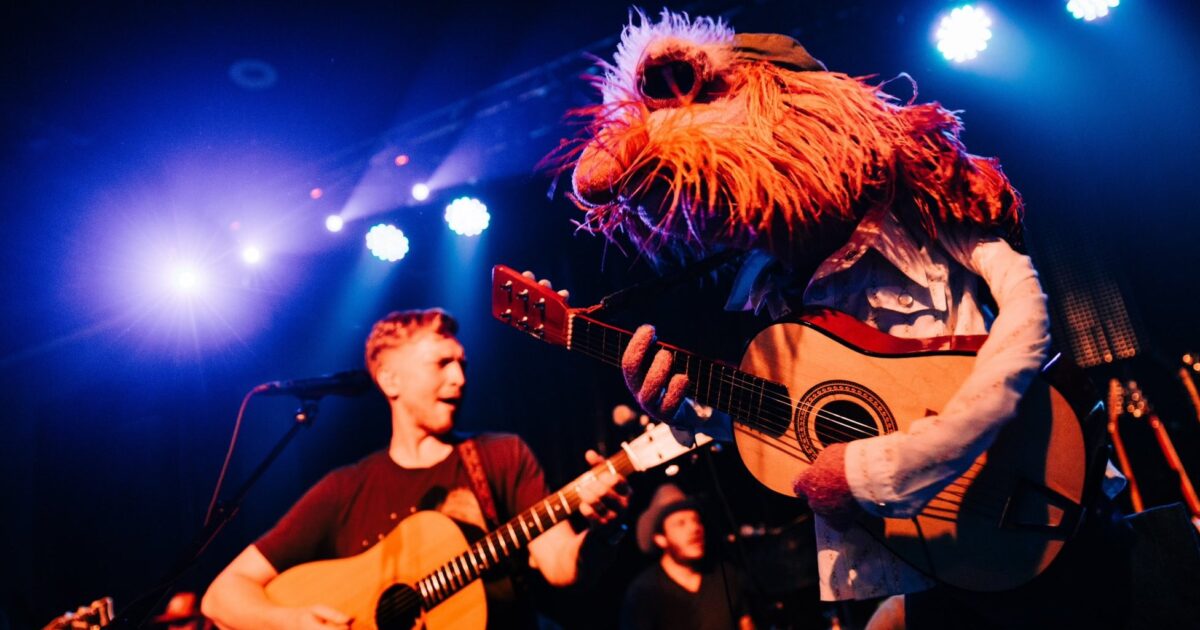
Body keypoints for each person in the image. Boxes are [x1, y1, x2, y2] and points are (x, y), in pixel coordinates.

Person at [562, 9, 1127, 629]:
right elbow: (795, 423)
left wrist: (876, 470)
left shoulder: (920, 213)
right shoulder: (774, 289)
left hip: (1032, 500)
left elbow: (1026, 326)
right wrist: (691, 411)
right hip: (921, 560)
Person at [201, 308, 631, 630]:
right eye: (441, 364)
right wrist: (295, 622)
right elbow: (222, 596)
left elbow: (560, 565)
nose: (459, 378)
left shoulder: (501, 455)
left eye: (462, 364)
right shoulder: (344, 489)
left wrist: (605, 530)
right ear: (390, 380)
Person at [620, 484, 753, 630]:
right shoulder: (643, 592)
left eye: (696, 520)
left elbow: (745, 623)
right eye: (680, 523)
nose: (694, 529)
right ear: (660, 538)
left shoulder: (725, 574)